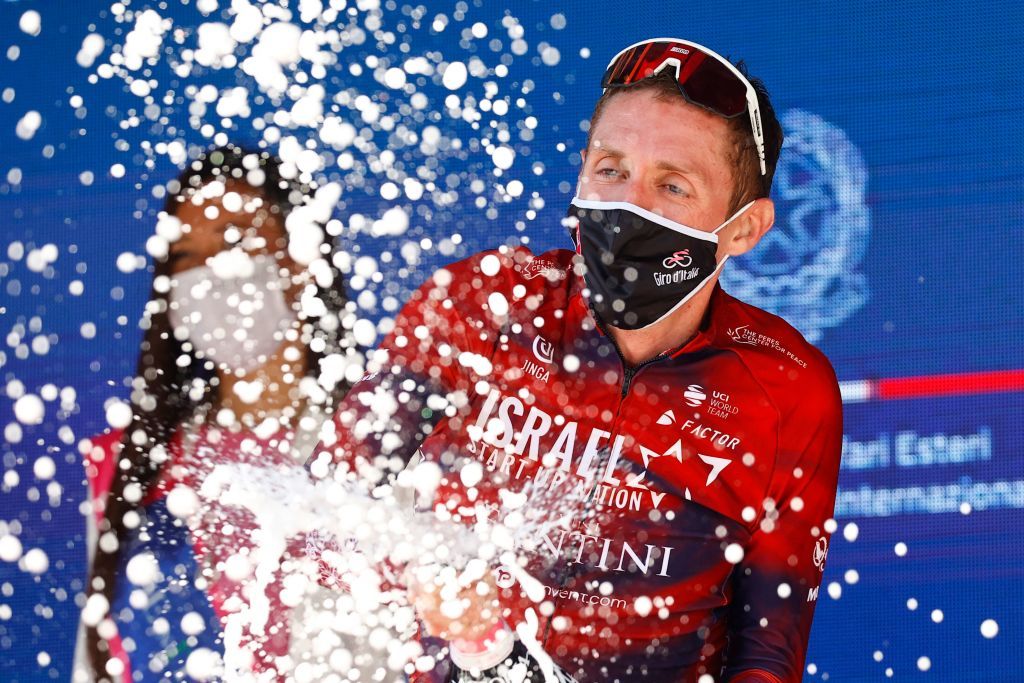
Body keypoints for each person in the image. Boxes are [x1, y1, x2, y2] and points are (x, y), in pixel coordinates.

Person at [307, 38, 844, 682]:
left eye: (672, 185)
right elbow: (324, 511)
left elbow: (766, 658)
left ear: (743, 229)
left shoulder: (787, 388)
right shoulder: (484, 305)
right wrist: (420, 587)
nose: (628, 208)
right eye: (611, 170)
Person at [77, 145, 353, 682]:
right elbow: (95, 663)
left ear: (300, 261)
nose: (206, 276)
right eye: (184, 259)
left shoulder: (383, 448)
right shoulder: (126, 464)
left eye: (231, 240)